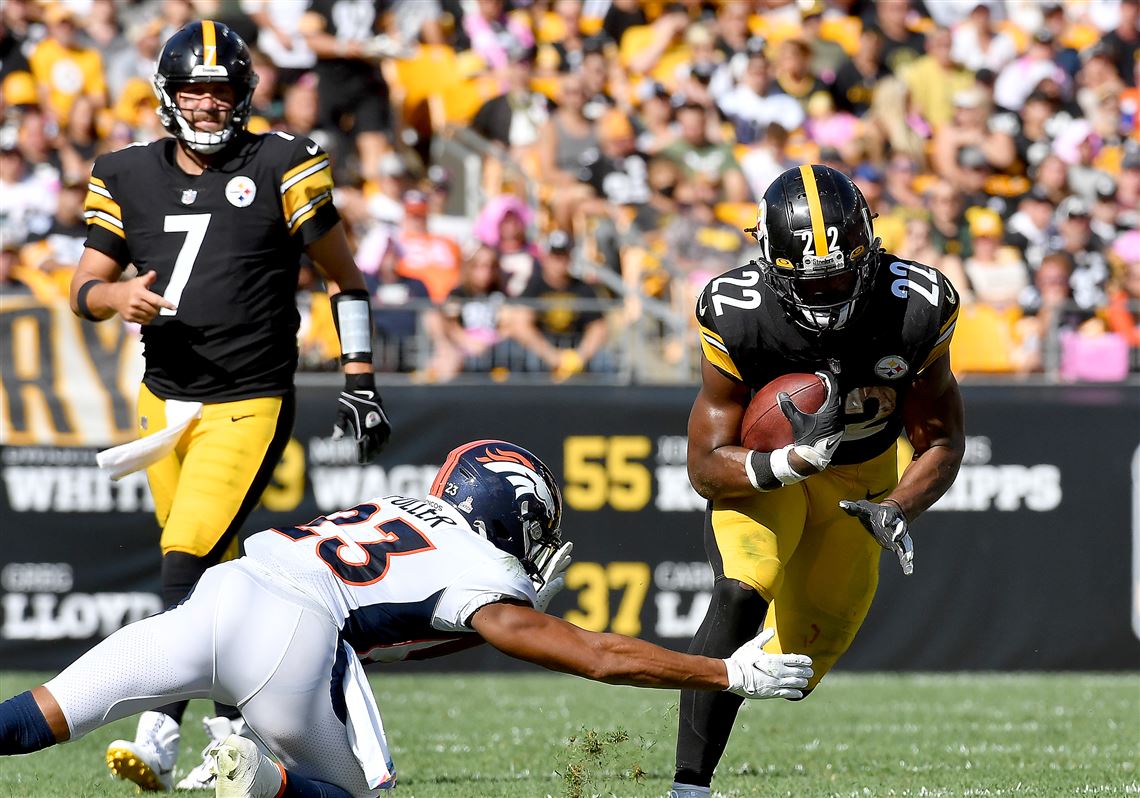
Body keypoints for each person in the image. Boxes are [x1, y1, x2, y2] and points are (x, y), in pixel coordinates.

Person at [0, 440, 816, 798]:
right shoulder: (484, 570)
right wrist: (723, 670)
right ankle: (255, 779)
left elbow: (399, 634)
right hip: (292, 637)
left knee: (44, 711)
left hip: (223, 592)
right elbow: (597, 657)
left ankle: (242, 766)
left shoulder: (405, 512)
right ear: (519, 518)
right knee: (335, 797)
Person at [66, 21, 392, 791]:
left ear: (242, 95)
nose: (208, 107)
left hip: (248, 399)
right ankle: (237, 723)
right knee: (209, 569)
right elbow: (83, 288)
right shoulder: (122, 171)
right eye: (194, 91)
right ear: (167, 96)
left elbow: (344, 278)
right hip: (162, 404)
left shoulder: (283, 160)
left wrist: (360, 377)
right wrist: (117, 295)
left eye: (220, 92)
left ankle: (157, 734)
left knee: (183, 560)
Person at [670, 165, 966, 798]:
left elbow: (940, 439)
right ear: (770, 260)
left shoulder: (916, 305)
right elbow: (704, 467)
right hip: (767, 479)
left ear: (870, 249)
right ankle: (688, 787)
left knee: (798, 666)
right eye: (811, 279)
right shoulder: (735, 311)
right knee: (743, 591)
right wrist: (784, 464)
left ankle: (730, 677)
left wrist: (897, 507)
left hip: (861, 476)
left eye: (839, 273)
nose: (827, 294)